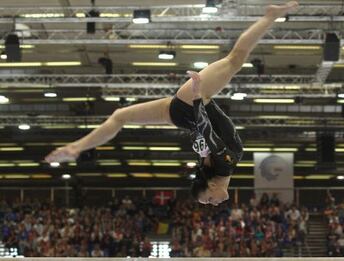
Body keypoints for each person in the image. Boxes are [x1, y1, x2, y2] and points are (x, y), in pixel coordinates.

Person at [45, 1, 299, 206]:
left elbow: (206, 129)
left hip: (191, 106)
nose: (214, 204)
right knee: (120, 116)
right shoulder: (215, 168)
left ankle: (270, 16)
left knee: (235, 60)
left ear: (211, 187)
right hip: (180, 115)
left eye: (208, 201)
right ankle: (76, 147)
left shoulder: (222, 166)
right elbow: (203, 134)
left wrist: (198, 95)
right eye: (209, 203)